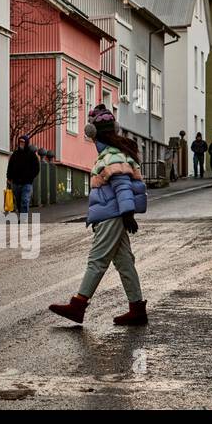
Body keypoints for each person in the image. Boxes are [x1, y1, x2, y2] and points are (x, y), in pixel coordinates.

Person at [49, 105, 149, 326]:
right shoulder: (114, 152)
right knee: (125, 263)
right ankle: (137, 308)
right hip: (116, 215)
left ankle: (78, 305)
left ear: (93, 132)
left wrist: (127, 213)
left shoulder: (111, 155)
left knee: (97, 260)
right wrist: (127, 214)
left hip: (111, 216)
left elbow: (122, 186)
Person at [6, 135, 39, 218]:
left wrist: (30, 177)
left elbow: (36, 168)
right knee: (18, 202)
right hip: (16, 183)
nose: (21, 143)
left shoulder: (32, 155)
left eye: (23, 142)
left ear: (26, 143)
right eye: (20, 142)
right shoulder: (15, 154)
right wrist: (9, 177)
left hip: (27, 183)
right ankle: (22, 217)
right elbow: (10, 166)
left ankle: (23, 220)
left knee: (24, 201)